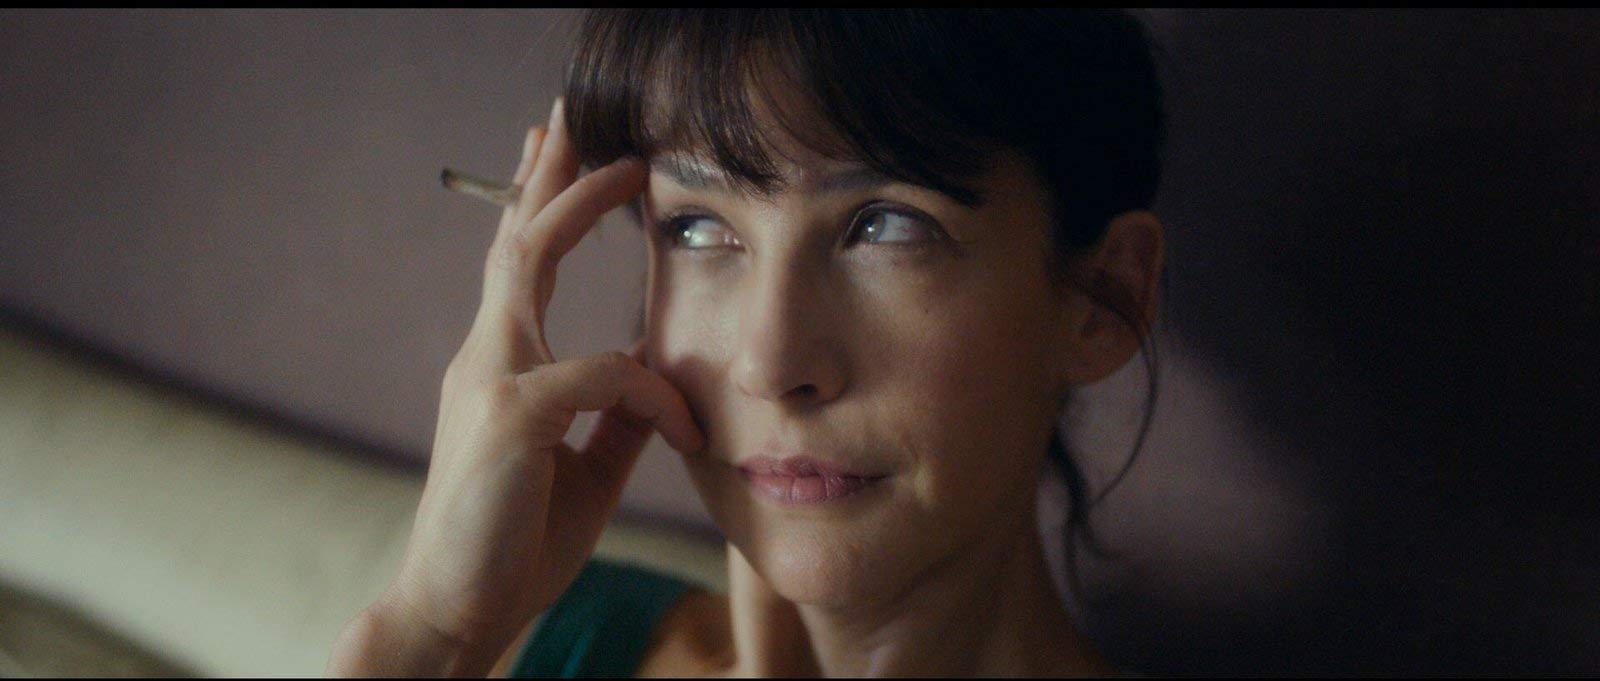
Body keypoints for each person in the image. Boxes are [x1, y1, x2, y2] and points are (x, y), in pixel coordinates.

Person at [327, 9, 1165, 677]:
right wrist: (432, 632)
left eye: (887, 225)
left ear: (1104, 299)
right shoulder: (536, 639)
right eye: (696, 229)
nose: (767, 364)